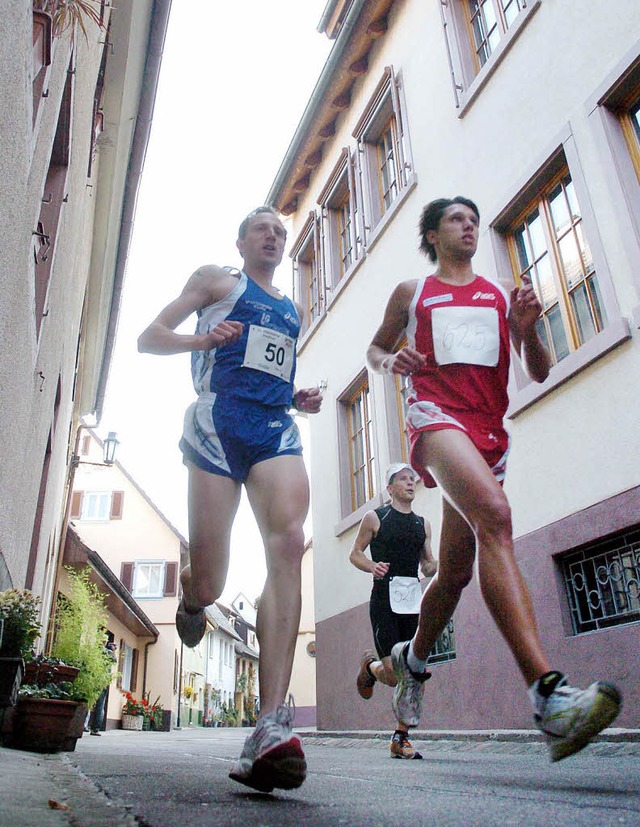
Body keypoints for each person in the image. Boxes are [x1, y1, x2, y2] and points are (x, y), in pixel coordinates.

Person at [366, 196, 622, 761]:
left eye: (473, 220)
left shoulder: (502, 293)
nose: (469, 227)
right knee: (498, 521)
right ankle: (549, 698)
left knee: (455, 572)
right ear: (432, 234)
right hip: (434, 418)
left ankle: (410, 662)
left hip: (488, 434)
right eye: (456, 219)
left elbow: (539, 368)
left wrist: (528, 330)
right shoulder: (414, 293)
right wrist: (392, 363)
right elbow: (375, 350)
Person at [137, 206, 322, 792]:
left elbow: (267, 366)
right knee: (214, 584)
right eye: (263, 229)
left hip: (274, 428)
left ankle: (270, 723)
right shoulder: (217, 280)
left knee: (289, 542)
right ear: (240, 241)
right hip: (217, 423)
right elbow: (151, 338)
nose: (273, 236)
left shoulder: (292, 310)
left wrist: (296, 395)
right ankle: (194, 598)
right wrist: (204, 335)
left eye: (281, 233)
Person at [350, 462, 437, 759]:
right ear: (390, 488)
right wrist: (372, 566)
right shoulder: (376, 518)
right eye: (403, 479)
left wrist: (436, 566)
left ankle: (401, 738)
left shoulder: (422, 524)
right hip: (384, 601)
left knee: (413, 671)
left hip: (413, 603)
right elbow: (355, 553)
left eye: (412, 479)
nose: (411, 483)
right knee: (393, 673)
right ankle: (370, 668)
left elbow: (427, 562)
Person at [89, 640, 117, 735]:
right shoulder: (108, 652)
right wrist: (113, 650)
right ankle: (95, 728)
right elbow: (114, 660)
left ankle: (84, 725)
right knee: (100, 704)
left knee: (88, 703)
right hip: (102, 680)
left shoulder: (93, 651)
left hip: (92, 678)